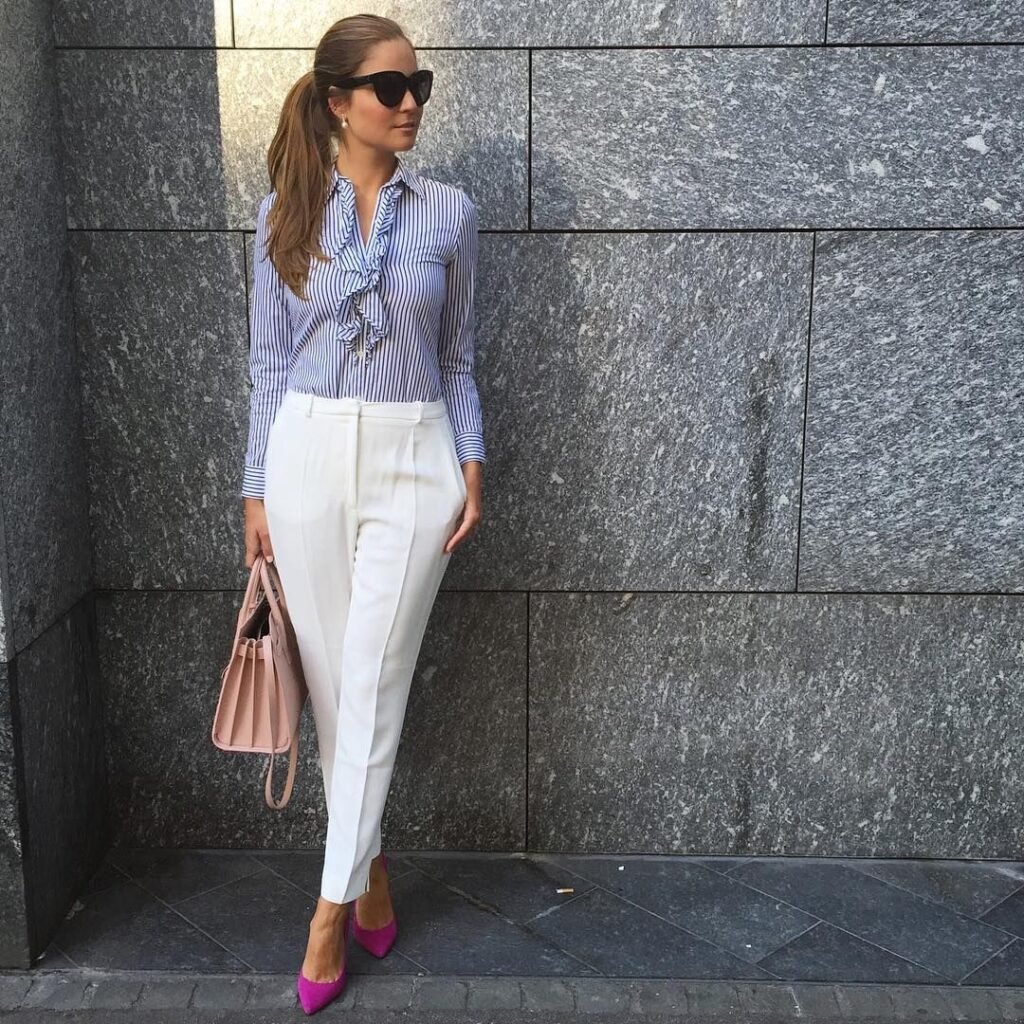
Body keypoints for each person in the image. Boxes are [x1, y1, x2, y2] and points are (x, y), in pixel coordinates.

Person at [239, 14, 485, 1015]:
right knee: (340, 691)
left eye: (417, 82)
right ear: (337, 101)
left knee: (374, 678)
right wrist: (254, 486)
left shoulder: (452, 214)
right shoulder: (280, 216)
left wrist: (472, 459)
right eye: (390, 88)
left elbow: (461, 352)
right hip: (304, 454)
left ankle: (328, 910)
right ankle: (371, 868)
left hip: (413, 455)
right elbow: (262, 364)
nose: (411, 101)